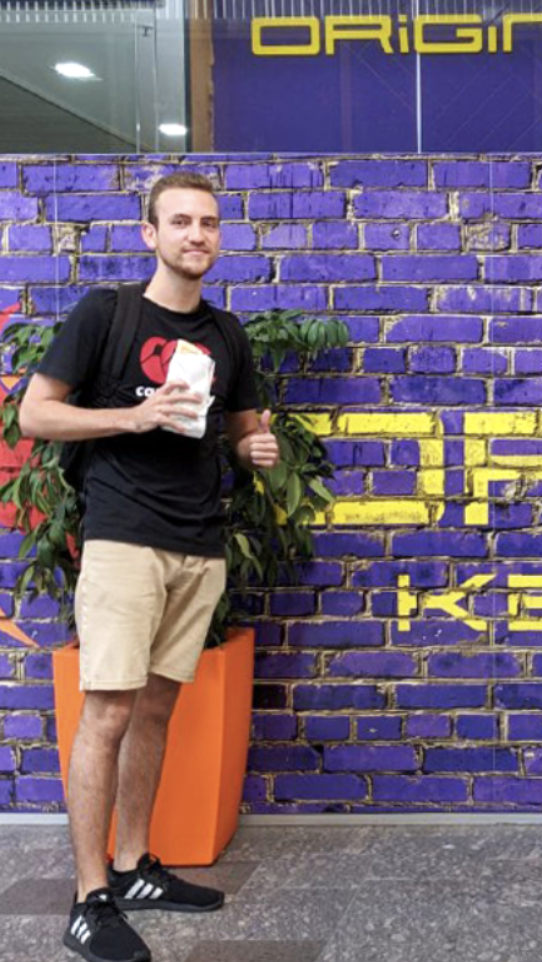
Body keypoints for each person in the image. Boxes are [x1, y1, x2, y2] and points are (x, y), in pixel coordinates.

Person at [19, 172, 279, 962]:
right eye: (181, 221)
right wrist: (134, 415)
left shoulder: (227, 334)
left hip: (199, 543)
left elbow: (241, 432)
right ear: (150, 234)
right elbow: (35, 413)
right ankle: (88, 898)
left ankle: (133, 867)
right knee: (107, 714)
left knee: (157, 712)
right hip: (124, 538)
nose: (197, 235)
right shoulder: (109, 313)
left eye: (209, 223)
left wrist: (256, 448)